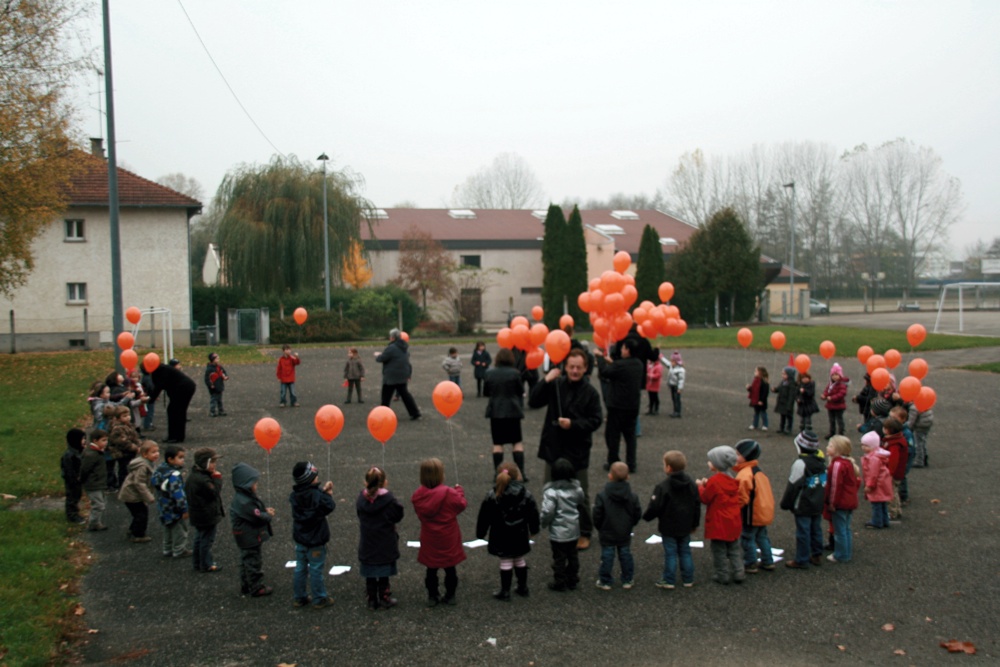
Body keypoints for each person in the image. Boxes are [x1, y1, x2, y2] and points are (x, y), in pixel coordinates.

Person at [528, 348, 602, 550]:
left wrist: (573, 424)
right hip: (554, 448)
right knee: (549, 489)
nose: (575, 371)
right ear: (565, 367)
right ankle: (557, 527)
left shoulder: (590, 393)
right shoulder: (556, 385)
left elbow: (596, 420)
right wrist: (546, 380)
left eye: (579, 367)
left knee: (581, 494)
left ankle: (585, 531)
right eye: (571, 367)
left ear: (586, 368)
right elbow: (533, 401)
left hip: (577, 450)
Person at [475, 462, 540, 601]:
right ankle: (523, 587)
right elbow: (533, 513)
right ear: (517, 475)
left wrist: (480, 533)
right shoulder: (525, 494)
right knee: (519, 558)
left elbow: (484, 516)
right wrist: (534, 530)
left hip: (501, 535)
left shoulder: (492, 495)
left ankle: (505, 591)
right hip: (520, 533)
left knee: (505, 560)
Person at [411, 458, 466, 606]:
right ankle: (450, 595)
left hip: (429, 536)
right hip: (448, 535)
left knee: (431, 568)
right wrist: (459, 491)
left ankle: (432, 595)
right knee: (450, 567)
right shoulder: (449, 493)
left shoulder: (418, 495)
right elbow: (461, 505)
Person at [643, 450, 701, 589]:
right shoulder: (691, 484)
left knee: (670, 553)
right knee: (685, 551)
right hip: (685, 525)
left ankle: (669, 580)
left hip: (668, 526)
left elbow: (655, 506)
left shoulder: (663, 486)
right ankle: (688, 578)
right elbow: (696, 505)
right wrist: (695, 523)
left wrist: (646, 517)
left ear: (668, 467)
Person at [357, 466, 404, 610]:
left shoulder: (361, 499)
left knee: (370, 573)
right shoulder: (389, 500)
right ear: (384, 482)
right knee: (384, 572)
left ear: (366, 483)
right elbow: (397, 515)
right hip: (385, 541)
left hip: (368, 542)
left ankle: (372, 599)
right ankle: (384, 597)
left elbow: (359, 514)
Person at [289, 461, 335, 608]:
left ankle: (299, 597)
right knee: (316, 569)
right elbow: (329, 506)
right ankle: (319, 598)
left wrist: (321, 491)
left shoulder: (295, 496)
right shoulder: (317, 496)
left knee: (300, 567)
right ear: (309, 479)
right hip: (316, 540)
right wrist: (327, 494)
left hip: (301, 538)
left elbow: (311, 497)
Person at [595, 338, 645, 472]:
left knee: (613, 435)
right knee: (630, 437)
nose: (621, 350)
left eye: (623, 348)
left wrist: (600, 358)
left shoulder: (620, 366)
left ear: (627, 350)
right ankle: (631, 463)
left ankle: (613, 461)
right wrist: (612, 363)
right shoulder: (638, 364)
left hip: (617, 406)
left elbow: (605, 372)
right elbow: (620, 368)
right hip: (632, 406)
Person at [696, 446, 744, 585]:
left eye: (710, 461)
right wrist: (707, 484)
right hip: (733, 519)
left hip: (718, 522)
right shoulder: (731, 478)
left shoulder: (714, 481)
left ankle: (722, 574)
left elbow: (705, 498)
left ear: (717, 464)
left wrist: (700, 486)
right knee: (734, 548)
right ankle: (738, 571)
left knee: (719, 550)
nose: (708, 463)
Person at [540, 458, 588, 592]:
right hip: (574, 530)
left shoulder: (551, 493)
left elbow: (547, 511)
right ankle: (573, 578)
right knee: (573, 555)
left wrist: (543, 523)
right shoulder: (577, 489)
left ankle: (560, 581)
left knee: (559, 558)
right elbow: (581, 501)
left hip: (558, 533)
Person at [780, 431, 826, 569]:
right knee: (816, 528)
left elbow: (793, 485)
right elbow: (824, 483)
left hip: (803, 503)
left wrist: (786, 503)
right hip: (818, 502)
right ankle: (817, 554)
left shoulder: (800, 463)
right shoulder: (821, 463)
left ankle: (802, 559)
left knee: (803, 531)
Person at [592, 462, 642, 591]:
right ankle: (627, 579)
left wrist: (600, 527)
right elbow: (637, 513)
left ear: (610, 476)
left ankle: (605, 580)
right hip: (624, 531)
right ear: (627, 477)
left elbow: (597, 514)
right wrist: (631, 524)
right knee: (625, 554)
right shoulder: (632, 496)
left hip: (607, 530)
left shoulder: (602, 496)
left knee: (607, 556)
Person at [230, 462, 275, 597]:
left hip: (244, 535)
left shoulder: (242, 498)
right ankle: (256, 587)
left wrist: (262, 511)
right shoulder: (245, 501)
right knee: (252, 561)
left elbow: (254, 512)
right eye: (254, 483)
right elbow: (256, 517)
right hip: (249, 536)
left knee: (245, 561)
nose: (256, 485)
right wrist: (267, 515)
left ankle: (246, 585)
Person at [733, 439, 776, 573]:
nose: (735, 456)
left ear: (745, 456)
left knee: (747, 538)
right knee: (762, 537)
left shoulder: (745, 474)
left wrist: (735, 509)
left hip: (751, 514)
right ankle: (768, 561)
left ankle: (751, 563)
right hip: (762, 511)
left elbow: (742, 497)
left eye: (738, 454)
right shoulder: (758, 472)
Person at [484, 348, 527, 476]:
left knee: (497, 444)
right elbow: (520, 391)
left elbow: (486, 392)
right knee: (517, 443)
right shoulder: (515, 373)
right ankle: (521, 473)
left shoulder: (489, 373)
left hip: (496, 412)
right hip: (513, 411)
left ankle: (498, 474)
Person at [186, 448, 225, 573]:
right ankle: (206, 564)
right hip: (206, 515)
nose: (215, 465)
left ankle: (197, 562)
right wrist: (217, 479)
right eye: (212, 462)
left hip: (197, 514)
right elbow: (214, 492)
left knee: (199, 537)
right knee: (206, 540)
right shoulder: (203, 480)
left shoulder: (194, 476)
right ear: (205, 463)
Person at [824, 436, 860, 563]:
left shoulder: (837, 465)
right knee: (846, 528)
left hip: (840, 503)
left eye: (831, 446)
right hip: (849, 501)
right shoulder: (848, 463)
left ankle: (841, 555)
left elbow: (835, 486)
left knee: (839, 530)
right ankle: (846, 552)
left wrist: (832, 503)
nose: (827, 447)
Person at [151, 444, 190, 558]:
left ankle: (167, 549)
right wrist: (184, 509)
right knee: (180, 530)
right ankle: (179, 550)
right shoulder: (174, 475)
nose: (183, 460)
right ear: (171, 459)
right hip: (174, 507)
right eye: (180, 458)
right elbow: (178, 494)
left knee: (167, 527)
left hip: (163, 505)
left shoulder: (160, 470)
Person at [375, 328, 421, 420]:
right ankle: (415, 412)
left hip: (392, 376)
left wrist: (378, 355)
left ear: (392, 337)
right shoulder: (404, 347)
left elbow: (382, 358)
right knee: (405, 394)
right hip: (403, 374)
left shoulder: (391, 348)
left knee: (386, 396)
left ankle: (383, 414)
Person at [118, 440, 159, 543]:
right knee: (141, 514)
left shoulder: (148, 463)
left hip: (134, 494)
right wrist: (149, 497)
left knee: (139, 513)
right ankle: (138, 534)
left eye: (157, 451)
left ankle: (133, 530)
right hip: (132, 495)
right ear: (145, 454)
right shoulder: (142, 466)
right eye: (153, 452)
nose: (157, 454)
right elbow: (139, 483)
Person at [148, 362, 196, 444]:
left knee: (173, 411)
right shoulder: (164, 368)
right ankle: (179, 436)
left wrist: (150, 399)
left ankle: (174, 436)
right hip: (186, 387)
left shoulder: (162, 371)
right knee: (179, 411)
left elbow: (159, 386)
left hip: (182, 388)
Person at [860, 431, 892, 529]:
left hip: (877, 484)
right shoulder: (878, 456)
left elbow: (872, 474)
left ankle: (877, 521)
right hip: (882, 482)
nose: (863, 447)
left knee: (876, 503)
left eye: (866, 446)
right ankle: (885, 520)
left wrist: (869, 485)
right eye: (863, 445)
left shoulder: (873, 459)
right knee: (882, 503)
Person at [79, 429, 110, 531]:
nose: (106, 443)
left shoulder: (97, 452)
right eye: (104, 440)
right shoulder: (91, 455)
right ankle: (93, 523)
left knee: (99, 503)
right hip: (93, 483)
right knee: (99, 505)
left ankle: (97, 522)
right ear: (95, 441)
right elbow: (84, 469)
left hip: (99, 482)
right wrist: (82, 480)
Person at [108, 404, 141, 489]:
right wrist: (135, 447)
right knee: (124, 470)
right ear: (118, 418)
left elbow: (134, 436)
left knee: (128, 468)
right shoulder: (118, 428)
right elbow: (123, 442)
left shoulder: (128, 425)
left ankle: (127, 484)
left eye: (128, 415)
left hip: (129, 452)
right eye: (124, 416)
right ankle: (123, 486)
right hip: (122, 452)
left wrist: (139, 444)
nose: (128, 417)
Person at [881, 418, 908, 521]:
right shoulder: (897, 440)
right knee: (894, 492)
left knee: (891, 493)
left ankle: (892, 512)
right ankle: (897, 510)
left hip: (892, 473)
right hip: (896, 472)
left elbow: (893, 460)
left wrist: (889, 473)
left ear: (888, 430)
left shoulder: (894, 444)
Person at [61, 428, 87, 524]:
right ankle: (72, 515)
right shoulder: (69, 456)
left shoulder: (78, 452)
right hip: (72, 481)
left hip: (78, 480)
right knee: (72, 497)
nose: (84, 441)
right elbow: (69, 471)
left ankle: (75, 512)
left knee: (77, 495)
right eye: (82, 439)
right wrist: (74, 479)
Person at [821, 363, 849, 437]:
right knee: (832, 420)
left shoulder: (842, 384)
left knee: (839, 420)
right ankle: (832, 432)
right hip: (831, 405)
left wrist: (832, 397)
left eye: (836, 375)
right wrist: (824, 395)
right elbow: (827, 390)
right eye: (833, 375)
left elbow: (841, 394)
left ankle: (841, 432)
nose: (835, 377)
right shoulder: (830, 384)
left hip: (839, 405)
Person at [908, 401, 934, 469]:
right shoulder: (924, 403)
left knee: (918, 443)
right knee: (923, 441)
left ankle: (919, 461)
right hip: (927, 424)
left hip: (919, 426)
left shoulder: (914, 408)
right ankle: (924, 457)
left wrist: (908, 428)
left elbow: (911, 421)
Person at [772, 366, 797, 435]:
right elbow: (779, 388)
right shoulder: (783, 382)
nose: (783, 375)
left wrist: (789, 405)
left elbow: (791, 395)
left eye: (784, 374)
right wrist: (775, 390)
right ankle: (781, 427)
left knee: (789, 416)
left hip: (787, 402)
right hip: (782, 401)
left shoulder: (791, 384)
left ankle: (789, 428)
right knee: (782, 415)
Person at [204, 352, 229, 417]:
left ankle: (220, 411)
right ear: (213, 360)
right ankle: (212, 411)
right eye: (217, 359)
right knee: (214, 400)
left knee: (219, 400)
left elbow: (223, 372)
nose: (218, 360)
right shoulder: (209, 369)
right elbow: (207, 379)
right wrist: (210, 385)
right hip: (214, 387)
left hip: (219, 385)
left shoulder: (219, 367)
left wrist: (226, 376)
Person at [747, 366, 770, 431]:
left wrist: (761, 400)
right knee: (756, 413)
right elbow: (753, 390)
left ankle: (765, 425)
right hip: (755, 400)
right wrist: (749, 388)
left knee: (763, 413)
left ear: (760, 373)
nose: (754, 372)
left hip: (761, 401)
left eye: (756, 371)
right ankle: (755, 424)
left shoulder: (764, 382)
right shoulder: (755, 380)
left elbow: (765, 392)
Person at [665, 351, 685, 418]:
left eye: (672, 361)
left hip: (676, 387)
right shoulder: (672, 367)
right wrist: (661, 357)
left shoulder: (680, 370)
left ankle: (677, 412)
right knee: (674, 399)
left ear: (676, 362)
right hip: (672, 386)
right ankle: (675, 411)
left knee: (677, 399)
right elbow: (666, 363)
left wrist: (680, 388)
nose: (671, 362)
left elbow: (681, 380)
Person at [645, 349, 662, 416]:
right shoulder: (650, 364)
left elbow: (658, 375)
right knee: (651, 398)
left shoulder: (658, 366)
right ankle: (651, 409)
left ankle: (656, 409)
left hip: (654, 385)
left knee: (655, 397)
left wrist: (649, 375)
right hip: (650, 384)